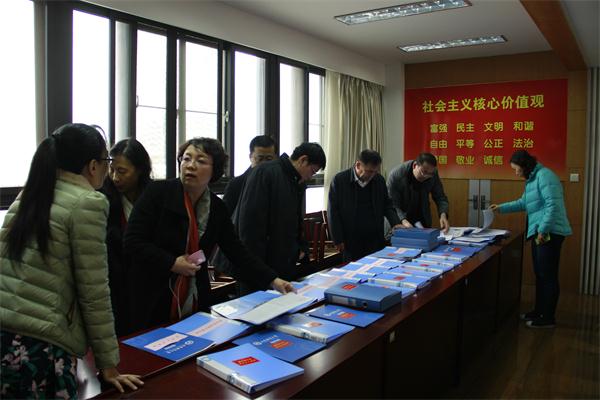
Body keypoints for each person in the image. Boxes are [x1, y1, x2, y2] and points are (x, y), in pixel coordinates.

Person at [0, 123, 143, 398]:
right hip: (41, 348)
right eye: (107, 162)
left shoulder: (29, 195)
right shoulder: (87, 202)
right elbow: (94, 292)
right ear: (93, 166)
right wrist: (109, 366)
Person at [123, 137, 294, 332]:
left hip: (196, 291)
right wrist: (172, 263)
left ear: (215, 170)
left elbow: (236, 251)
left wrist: (273, 280)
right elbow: (132, 241)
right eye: (186, 159)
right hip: (153, 291)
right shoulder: (157, 193)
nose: (190, 165)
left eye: (201, 161)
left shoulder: (216, 207)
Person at [490, 150, 571, 328]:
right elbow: (524, 203)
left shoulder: (545, 176)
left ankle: (548, 318)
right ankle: (539, 311)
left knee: (548, 276)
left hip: (549, 233)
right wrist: (500, 208)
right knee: (540, 274)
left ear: (525, 166)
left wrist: (543, 230)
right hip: (540, 232)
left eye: (516, 169)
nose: (516, 173)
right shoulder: (533, 179)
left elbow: (553, 205)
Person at [235, 142, 326, 290]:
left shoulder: (296, 181)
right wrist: (260, 271)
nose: (311, 177)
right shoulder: (265, 172)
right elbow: (250, 227)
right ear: (303, 160)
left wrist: (301, 247)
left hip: (282, 263)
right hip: (260, 267)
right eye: (312, 171)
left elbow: (296, 220)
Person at [100, 139, 152, 336]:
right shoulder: (103, 198)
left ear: (140, 170)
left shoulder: (154, 197)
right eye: (112, 170)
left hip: (147, 280)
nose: (115, 177)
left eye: (122, 171)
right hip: (116, 282)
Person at [328, 149, 402, 262]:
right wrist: (338, 238)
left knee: (377, 266)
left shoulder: (379, 180)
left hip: (375, 237)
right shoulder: (340, 180)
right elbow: (333, 211)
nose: (372, 175)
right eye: (369, 171)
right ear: (358, 165)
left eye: (375, 171)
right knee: (353, 268)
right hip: (351, 239)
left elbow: (387, 204)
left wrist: (395, 223)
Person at [387, 152, 450, 233]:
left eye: (430, 174)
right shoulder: (396, 176)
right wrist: (403, 220)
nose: (426, 176)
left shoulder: (432, 172)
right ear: (415, 165)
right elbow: (393, 204)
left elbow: (440, 197)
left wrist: (443, 214)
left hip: (422, 218)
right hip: (401, 220)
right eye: (424, 172)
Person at [223, 135, 276, 215]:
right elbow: (226, 217)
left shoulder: (279, 183)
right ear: (250, 157)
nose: (264, 164)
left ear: (275, 158)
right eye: (260, 159)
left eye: (269, 159)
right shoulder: (236, 184)